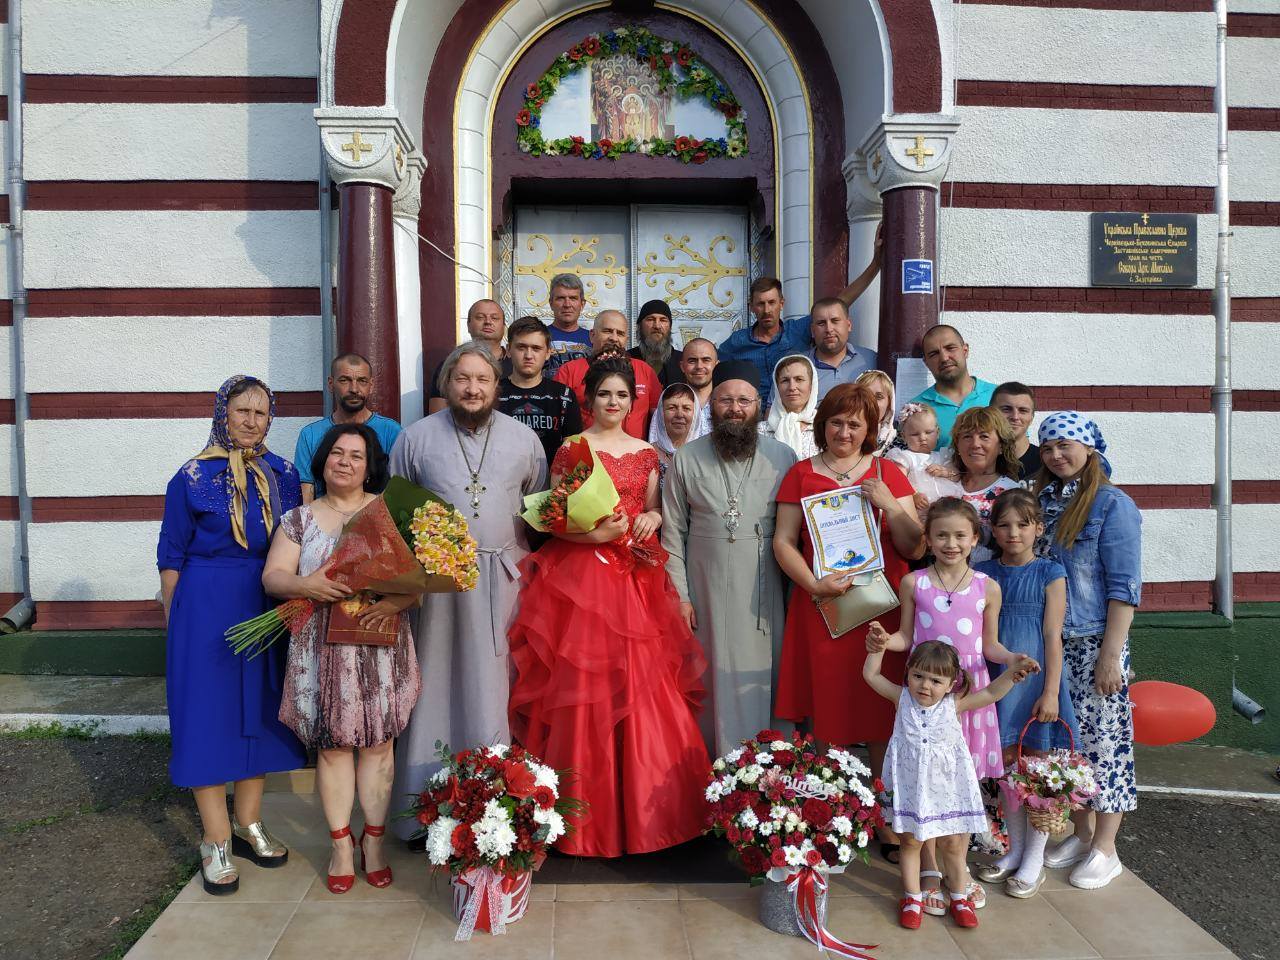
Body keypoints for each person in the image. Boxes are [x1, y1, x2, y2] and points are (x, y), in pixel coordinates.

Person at [508, 357, 710, 857]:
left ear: (633, 401)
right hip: (581, 577)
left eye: (622, 395)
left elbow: (655, 509)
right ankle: (582, 822)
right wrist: (593, 536)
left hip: (634, 576)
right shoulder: (572, 448)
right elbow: (553, 517)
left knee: (643, 685)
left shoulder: (646, 453)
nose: (613, 403)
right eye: (604, 394)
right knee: (584, 689)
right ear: (590, 400)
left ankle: (650, 816)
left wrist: (651, 520)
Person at [387, 342, 547, 841]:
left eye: (482, 379)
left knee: (496, 685)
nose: (472, 389)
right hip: (437, 589)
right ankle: (423, 810)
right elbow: (397, 512)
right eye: (463, 379)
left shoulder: (525, 440)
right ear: (447, 384)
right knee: (433, 683)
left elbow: (535, 509)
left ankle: (498, 809)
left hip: (503, 581)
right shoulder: (415, 439)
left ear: (497, 386)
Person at [157, 375, 307, 896]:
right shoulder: (191, 475)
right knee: (207, 714)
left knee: (259, 712)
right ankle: (215, 838)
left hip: (265, 601)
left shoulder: (284, 473)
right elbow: (171, 556)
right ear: (222, 413)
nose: (251, 421)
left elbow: (297, 540)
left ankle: (248, 820)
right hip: (204, 606)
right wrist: (176, 623)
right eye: (241, 410)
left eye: (261, 413)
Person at [265, 424, 420, 894]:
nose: (345, 462)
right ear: (323, 460)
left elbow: (419, 584)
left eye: (356, 455)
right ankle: (339, 845)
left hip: (378, 643)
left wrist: (395, 602)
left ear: (369, 466)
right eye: (337, 453)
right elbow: (273, 577)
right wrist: (306, 584)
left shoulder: (390, 514)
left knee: (378, 745)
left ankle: (373, 841)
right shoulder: (299, 519)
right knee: (332, 747)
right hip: (320, 648)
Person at [772, 383, 924, 858]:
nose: (844, 432)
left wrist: (891, 504)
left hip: (881, 609)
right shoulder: (800, 474)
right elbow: (783, 541)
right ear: (823, 425)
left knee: (881, 711)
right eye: (836, 422)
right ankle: (831, 812)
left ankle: (883, 815)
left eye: (854, 424)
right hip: (822, 608)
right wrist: (814, 584)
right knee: (828, 709)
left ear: (870, 429)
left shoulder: (887, 473)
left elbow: (915, 545)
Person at [867, 497, 1032, 915]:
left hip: (968, 696)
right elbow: (906, 637)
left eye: (960, 535)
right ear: (928, 539)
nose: (951, 543)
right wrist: (885, 642)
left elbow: (989, 645)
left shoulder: (987, 587)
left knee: (958, 782)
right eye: (941, 535)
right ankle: (928, 871)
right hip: (926, 696)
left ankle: (957, 871)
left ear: (975, 538)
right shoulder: (914, 583)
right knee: (924, 782)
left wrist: (1011, 659)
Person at [661, 360, 797, 755]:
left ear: (759, 405)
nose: (735, 409)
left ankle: (769, 762)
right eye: (725, 400)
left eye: (744, 401)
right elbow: (672, 535)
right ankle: (711, 762)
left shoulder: (783, 456)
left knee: (765, 671)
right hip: (705, 587)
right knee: (711, 673)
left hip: (764, 588)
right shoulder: (687, 458)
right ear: (711, 405)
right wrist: (680, 597)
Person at [1033, 412, 1141, 890]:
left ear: (1089, 448)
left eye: (1065, 445)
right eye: (1048, 447)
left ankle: (1106, 848)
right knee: (1069, 745)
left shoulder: (1113, 504)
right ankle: (1081, 835)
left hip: (1095, 642)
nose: (1056, 455)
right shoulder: (1046, 502)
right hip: (1053, 643)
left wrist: (1110, 656)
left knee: (1106, 745)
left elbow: (1124, 587)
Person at [864, 640, 1038, 930]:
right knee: (911, 842)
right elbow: (871, 675)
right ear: (908, 673)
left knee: (953, 845)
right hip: (911, 789)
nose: (925, 685)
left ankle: (959, 897)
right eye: (918, 676)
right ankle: (912, 898)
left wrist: (1012, 674)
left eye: (935, 680)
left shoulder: (953, 704)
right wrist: (878, 648)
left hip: (947, 790)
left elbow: (991, 693)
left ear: (950, 684)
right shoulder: (901, 698)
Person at [974, 488, 1078, 899]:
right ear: (992, 529)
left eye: (1022, 524)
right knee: (1006, 766)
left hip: (1035, 682)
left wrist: (1050, 691)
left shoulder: (1050, 572)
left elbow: (1053, 635)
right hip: (998, 679)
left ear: (1038, 527)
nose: (1013, 532)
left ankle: (1034, 858)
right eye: (1003, 525)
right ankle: (1015, 849)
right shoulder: (984, 573)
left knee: (1036, 768)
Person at [719, 235, 883, 407]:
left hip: (790, 412)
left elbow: (840, 302)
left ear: (782, 304)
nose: (767, 310)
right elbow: (709, 363)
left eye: (772, 302)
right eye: (760, 304)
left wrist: (875, 265)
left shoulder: (797, 331)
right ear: (751, 307)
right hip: (752, 413)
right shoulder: (737, 341)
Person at [295, 353, 402, 503]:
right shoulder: (310, 434)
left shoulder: (391, 431)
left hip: (376, 515)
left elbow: (398, 487)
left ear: (371, 385)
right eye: (345, 380)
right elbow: (306, 491)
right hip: (324, 514)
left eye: (362, 381)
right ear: (331, 384)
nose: (354, 389)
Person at [554, 309, 661, 438]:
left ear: (626, 339)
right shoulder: (569, 371)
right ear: (592, 335)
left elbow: (658, 419)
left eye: (620, 333)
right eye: (607, 331)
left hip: (635, 449)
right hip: (586, 449)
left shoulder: (645, 370)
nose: (614, 338)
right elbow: (556, 418)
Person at [499, 315, 583, 464]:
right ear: (509, 350)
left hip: (552, 477)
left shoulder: (564, 396)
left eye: (536, 348)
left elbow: (572, 452)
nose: (528, 355)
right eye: (521, 347)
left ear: (548, 353)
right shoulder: (493, 394)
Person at [951, 406, 1022, 564]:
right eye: (967, 436)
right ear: (957, 445)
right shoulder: (940, 483)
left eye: (984, 436)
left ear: (1001, 446)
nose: (975, 444)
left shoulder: (1011, 492)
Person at [908, 325, 997, 449]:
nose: (944, 358)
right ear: (926, 362)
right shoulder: (915, 408)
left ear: (965, 350)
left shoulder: (997, 396)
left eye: (950, 348)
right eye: (934, 354)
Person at [427, 299, 512, 414]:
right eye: (480, 317)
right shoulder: (451, 365)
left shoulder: (516, 364)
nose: (488, 322)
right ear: (468, 325)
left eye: (495, 318)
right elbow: (438, 416)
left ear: (504, 327)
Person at [885, 403, 962, 523]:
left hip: (949, 510)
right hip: (921, 511)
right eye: (915, 434)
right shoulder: (905, 457)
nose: (922, 438)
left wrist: (945, 472)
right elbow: (899, 480)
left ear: (937, 432)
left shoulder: (944, 455)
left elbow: (957, 476)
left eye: (928, 432)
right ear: (904, 436)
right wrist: (913, 495)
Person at [809, 298, 877, 401]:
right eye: (821, 323)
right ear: (813, 331)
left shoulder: (872, 360)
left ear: (848, 325)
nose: (829, 329)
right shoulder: (797, 367)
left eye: (835, 321)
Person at [762, 354, 819, 459]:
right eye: (785, 380)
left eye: (799, 379)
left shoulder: (824, 429)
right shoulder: (760, 432)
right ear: (777, 387)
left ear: (812, 385)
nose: (792, 387)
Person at [649, 381, 703, 485]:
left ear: (695, 414)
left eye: (686, 408)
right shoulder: (648, 454)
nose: (679, 414)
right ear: (661, 413)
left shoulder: (705, 454)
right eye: (672, 408)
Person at [543, 273, 593, 378]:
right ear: (551, 303)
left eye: (573, 298)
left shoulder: (593, 339)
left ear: (582, 304)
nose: (567, 304)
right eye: (561, 298)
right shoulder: (539, 336)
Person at [629, 298, 685, 386]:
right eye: (650, 319)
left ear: (670, 327)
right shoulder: (626, 360)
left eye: (663, 320)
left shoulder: (683, 361)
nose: (657, 326)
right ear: (640, 326)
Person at [993, 382, 1041, 482]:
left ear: (1032, 417)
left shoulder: (1047, 462)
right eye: (1006, 409)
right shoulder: (979, 460)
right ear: (991, 413)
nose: (1015, 417)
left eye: (1023, 410)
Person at [680, 336, 718, 435]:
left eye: (706, 360)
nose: (699, 366)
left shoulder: (729, 404)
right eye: (692, 361)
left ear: (716, 365)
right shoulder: (668, 404)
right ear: (682, 366)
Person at [856, 369, 897, 455]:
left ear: (889, 404)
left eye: (878, 397)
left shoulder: (900, 443)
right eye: (865, 395)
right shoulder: (842, 436)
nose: (871, 402)